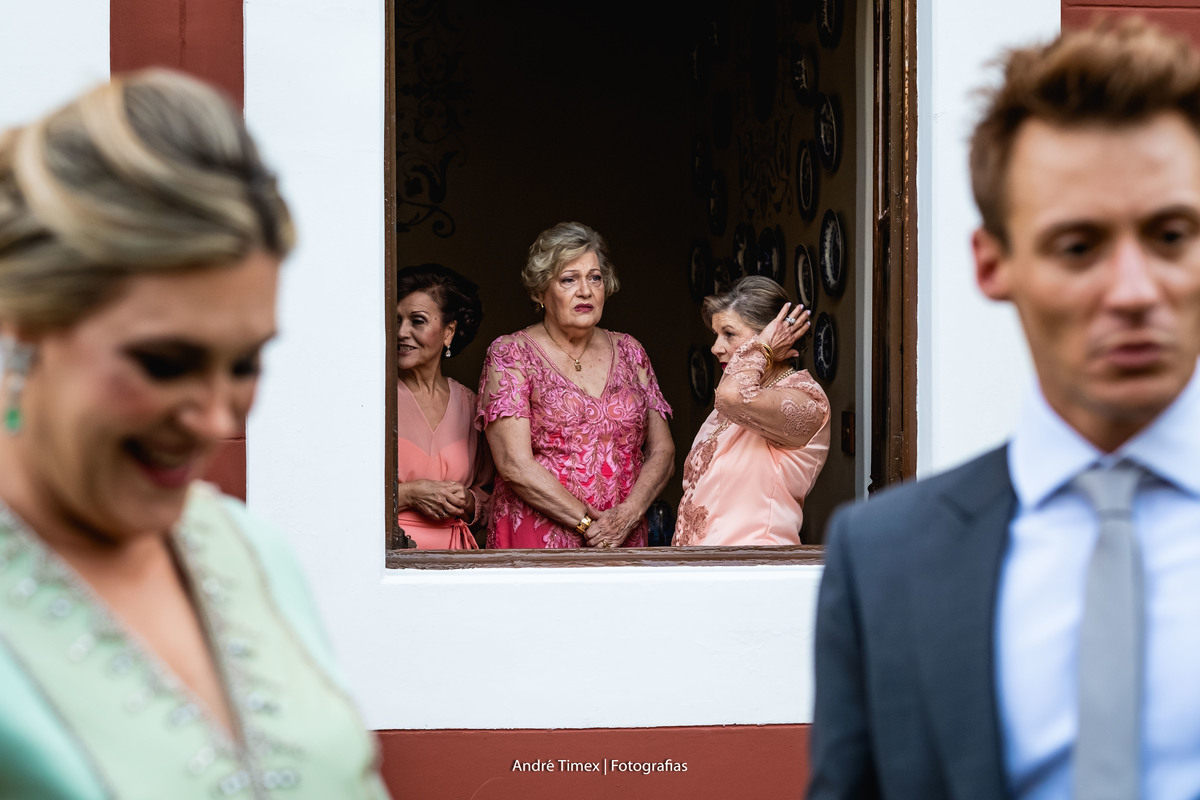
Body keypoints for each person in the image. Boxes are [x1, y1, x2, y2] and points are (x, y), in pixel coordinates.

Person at [809, 19, 1200, 800]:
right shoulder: (883, 559)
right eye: (1078, 246)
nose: (1133, 290)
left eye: (1170, 235)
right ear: (993, 264)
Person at [0, 70, 388, 798]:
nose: (217, 419)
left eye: (244, 365)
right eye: (164, 363)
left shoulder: (253, 552)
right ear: (26, 325)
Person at [477, 221, 674, 548]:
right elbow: (514, 463)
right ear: (540, 291)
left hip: (623, 535)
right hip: (539, 536)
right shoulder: (512, 353)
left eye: (594, 278)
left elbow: (662, 450)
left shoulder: (630, 350)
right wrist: (587, 524)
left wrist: (628, 515)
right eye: (569, 279)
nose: (586, 291)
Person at [674, 276, 829, 546]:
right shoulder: (727, 408)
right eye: (716, 335)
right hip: (707, 566)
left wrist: (763, 347)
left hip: (755, 561)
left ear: (774, 334)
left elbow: (733, 396)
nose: (715, 348)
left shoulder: (806, 399)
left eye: (729, 334)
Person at [395, 263, 492, 549]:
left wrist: (469, 502)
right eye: (396, 320)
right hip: (389, 555)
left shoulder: (471, 405)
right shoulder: (374, 401)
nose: (401, 332)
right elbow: (343, 493)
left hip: (455, 558)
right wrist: (410, 494)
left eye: (417, 321)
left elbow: (493, 499)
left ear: (449, 332)